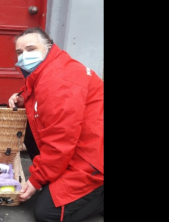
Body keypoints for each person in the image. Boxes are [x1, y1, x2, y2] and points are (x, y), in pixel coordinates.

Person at [7, 27, 104, 222]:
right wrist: (22, 97)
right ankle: (52, 176)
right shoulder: (53, 66)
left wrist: (35, 180)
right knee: (27, 124)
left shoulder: (59, 81)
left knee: (46, 213)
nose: (24, 56)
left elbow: (60, 141)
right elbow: (39, 94)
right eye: (19, 52)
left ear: (48, 47)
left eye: (31, 48)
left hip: (92, 158)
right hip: (81, 144)